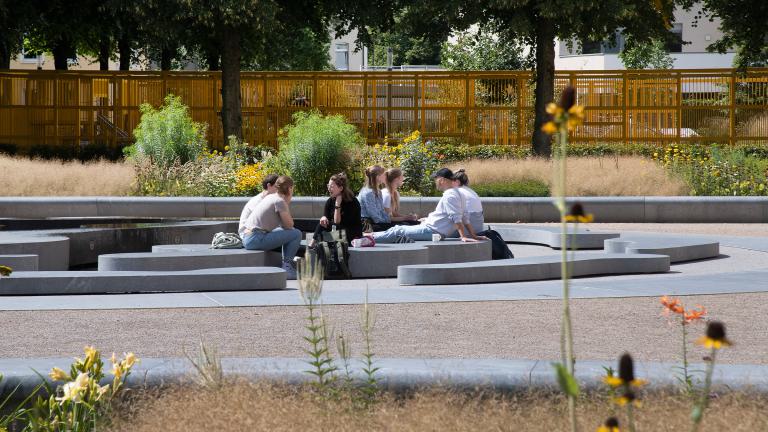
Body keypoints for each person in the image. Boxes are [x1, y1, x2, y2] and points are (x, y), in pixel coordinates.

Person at [372, 168, 482, 243]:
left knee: (397, 231)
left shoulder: (450, 195)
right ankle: (369, 236)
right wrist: (473, 235)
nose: (435, 183)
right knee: (399, 229)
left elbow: (457, 217)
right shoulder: (459, 192)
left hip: (432, 231)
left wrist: (463, 237)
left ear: (442, 180)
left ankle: (368, 238)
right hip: (433, 229)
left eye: (436, 179)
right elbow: (465, 217)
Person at [241, 176, 302, 279]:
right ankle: (287, 267)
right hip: (256, 238)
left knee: (288, 232)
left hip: (248, 237)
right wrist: (288, 200)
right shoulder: (279, 201)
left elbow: (284, 226)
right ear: (289, 189)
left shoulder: (270, 197)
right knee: (296, 234)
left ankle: (285, 265)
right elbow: (290, 225)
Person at [310, 173, 363, 247]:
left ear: (341, 188)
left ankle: (312, 245)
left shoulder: (352, 202)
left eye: (332, 186)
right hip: (338, 231)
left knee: (325, 235)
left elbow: (337, 222)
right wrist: (324, 217)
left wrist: (337, 205)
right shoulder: (330, 200)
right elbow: (326, 217)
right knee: (322, 223)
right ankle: (311, 245)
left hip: (351, 234)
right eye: (328, 185)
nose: (329, 189)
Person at [238, 174, 278, 238]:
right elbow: (261, 223)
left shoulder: (270, 200)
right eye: (277, 187)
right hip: (248, 235)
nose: (279, 189)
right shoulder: (257, 201)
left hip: (259, 232)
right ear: (269, 186)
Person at [357, 165, 392, 231]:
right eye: (383, 175)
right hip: (367, 224)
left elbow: (382, 210)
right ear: (377, 177)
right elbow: (374, 216)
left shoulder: (378, 192)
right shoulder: (368, 193)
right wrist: (388, 222)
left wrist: (388, 220)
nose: (385, 176)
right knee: (395, 228)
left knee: (401, 225)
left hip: (376, 222)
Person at [452, 169, 484, 234]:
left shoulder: (456, 193)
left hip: (465, 232)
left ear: (457, 182)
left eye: (450, 181)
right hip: (478, 230)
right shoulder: (471, 192)